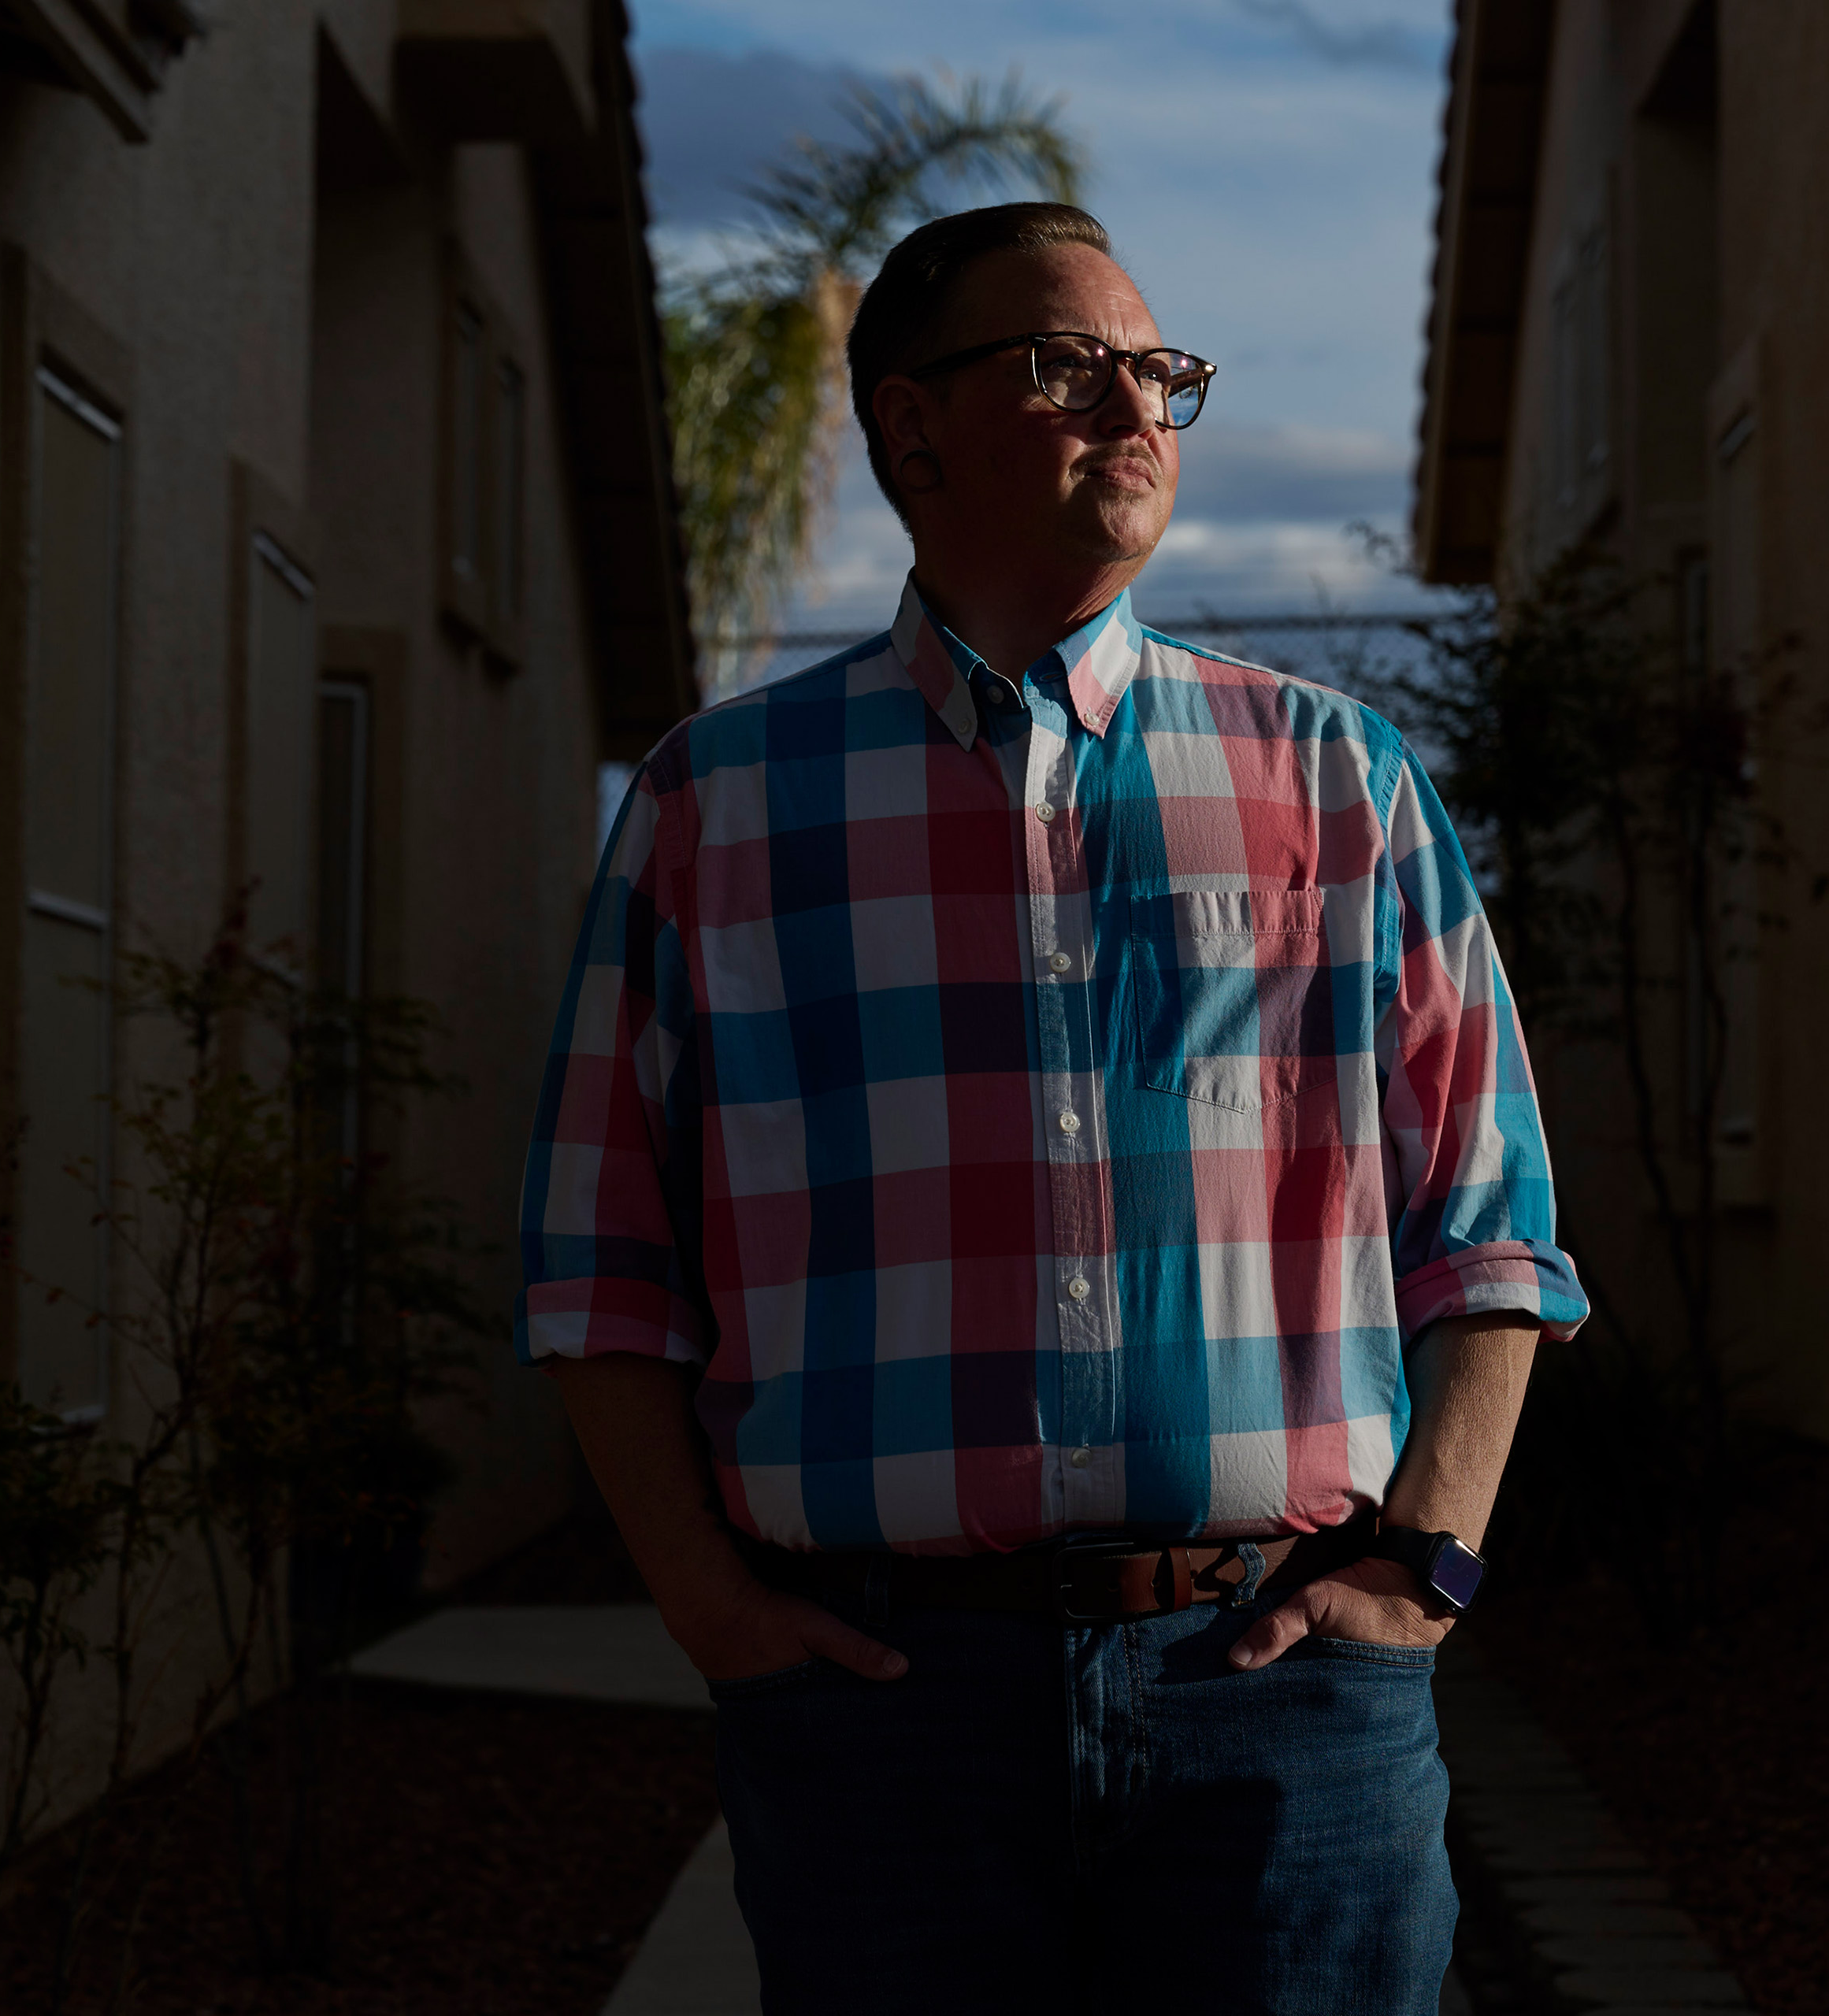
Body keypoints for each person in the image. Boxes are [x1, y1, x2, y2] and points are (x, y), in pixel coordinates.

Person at [517, 202, 1586, 2015]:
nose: (1138, 404)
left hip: (1286, 1705)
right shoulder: (718, 807)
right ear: (912, 428)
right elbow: (597, 1262)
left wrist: (1426, 1557)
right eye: (1067, 363)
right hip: (880, 1720)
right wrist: (706, 1600)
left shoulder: (1339, 780)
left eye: (1158, 368)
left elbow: (1490, 1219)